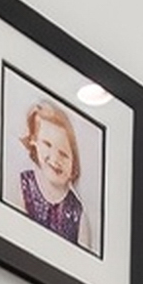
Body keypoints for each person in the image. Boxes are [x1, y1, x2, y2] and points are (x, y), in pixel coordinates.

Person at [12, 97, 91, 249]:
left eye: (64, 154)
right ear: (34, 141)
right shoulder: (23, 186)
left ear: (74, 163)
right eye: (47, 144)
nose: (55, 159)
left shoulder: (78, 215)